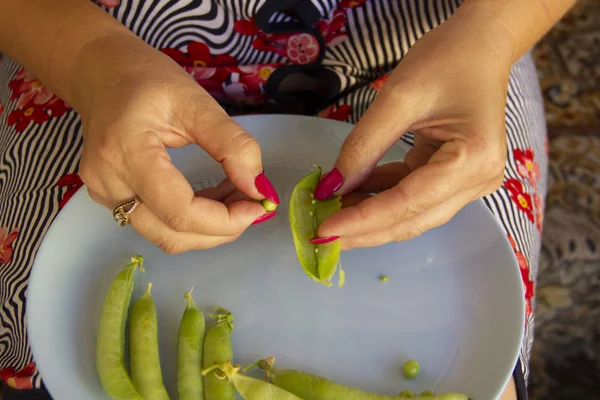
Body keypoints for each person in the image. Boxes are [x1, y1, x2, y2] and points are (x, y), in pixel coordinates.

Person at [0, 0, 574, 398]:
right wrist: (96, 60)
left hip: (441, 51)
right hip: (91, 44)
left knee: (489, 374)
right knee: (42, 341)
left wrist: (493, 32)